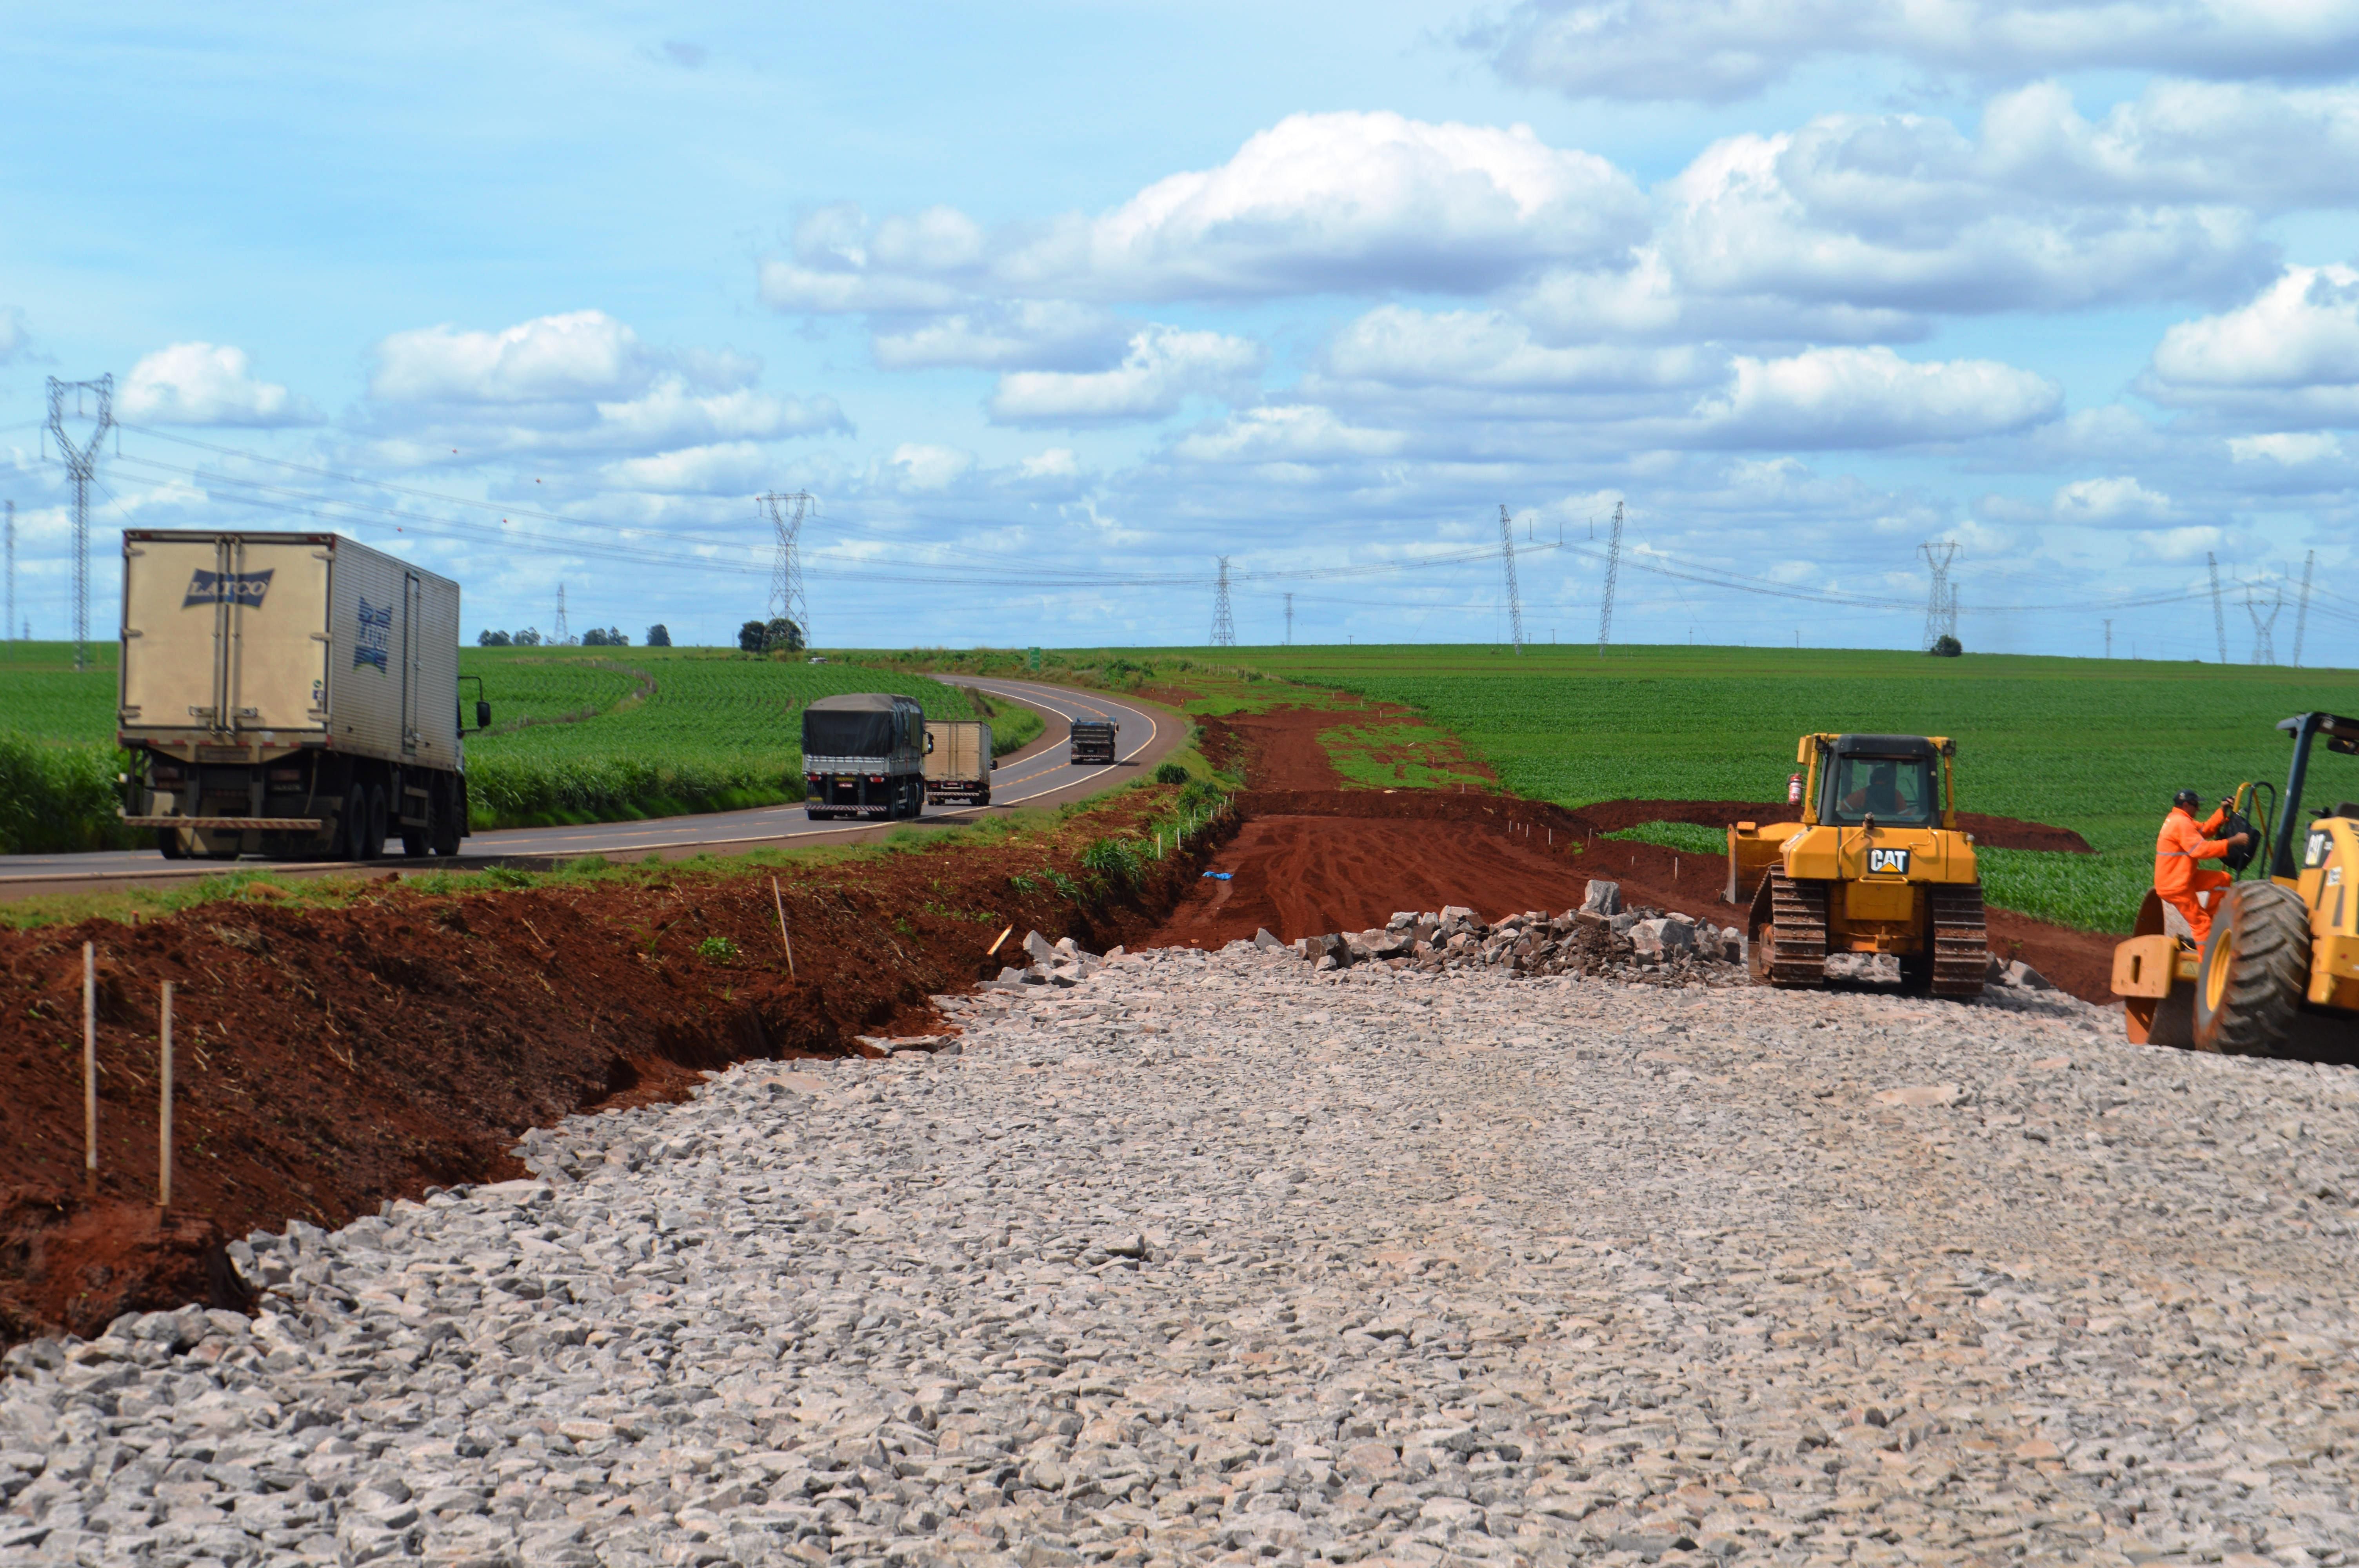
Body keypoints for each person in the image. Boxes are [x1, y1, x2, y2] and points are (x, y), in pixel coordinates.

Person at [2154, 789, 2250, 946]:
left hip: (2183, 877)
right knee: (2201, 926)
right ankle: (2207, 965)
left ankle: (2212, 922)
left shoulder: (2180, 819)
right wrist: (2233, 841)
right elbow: (2201, 850)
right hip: (2176, 885)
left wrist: (2223, 810)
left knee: (2223, 879)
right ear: (2186, 805)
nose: (2198, 808)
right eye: (2196, 805)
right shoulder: (2181, 824)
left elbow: (2205, 830)